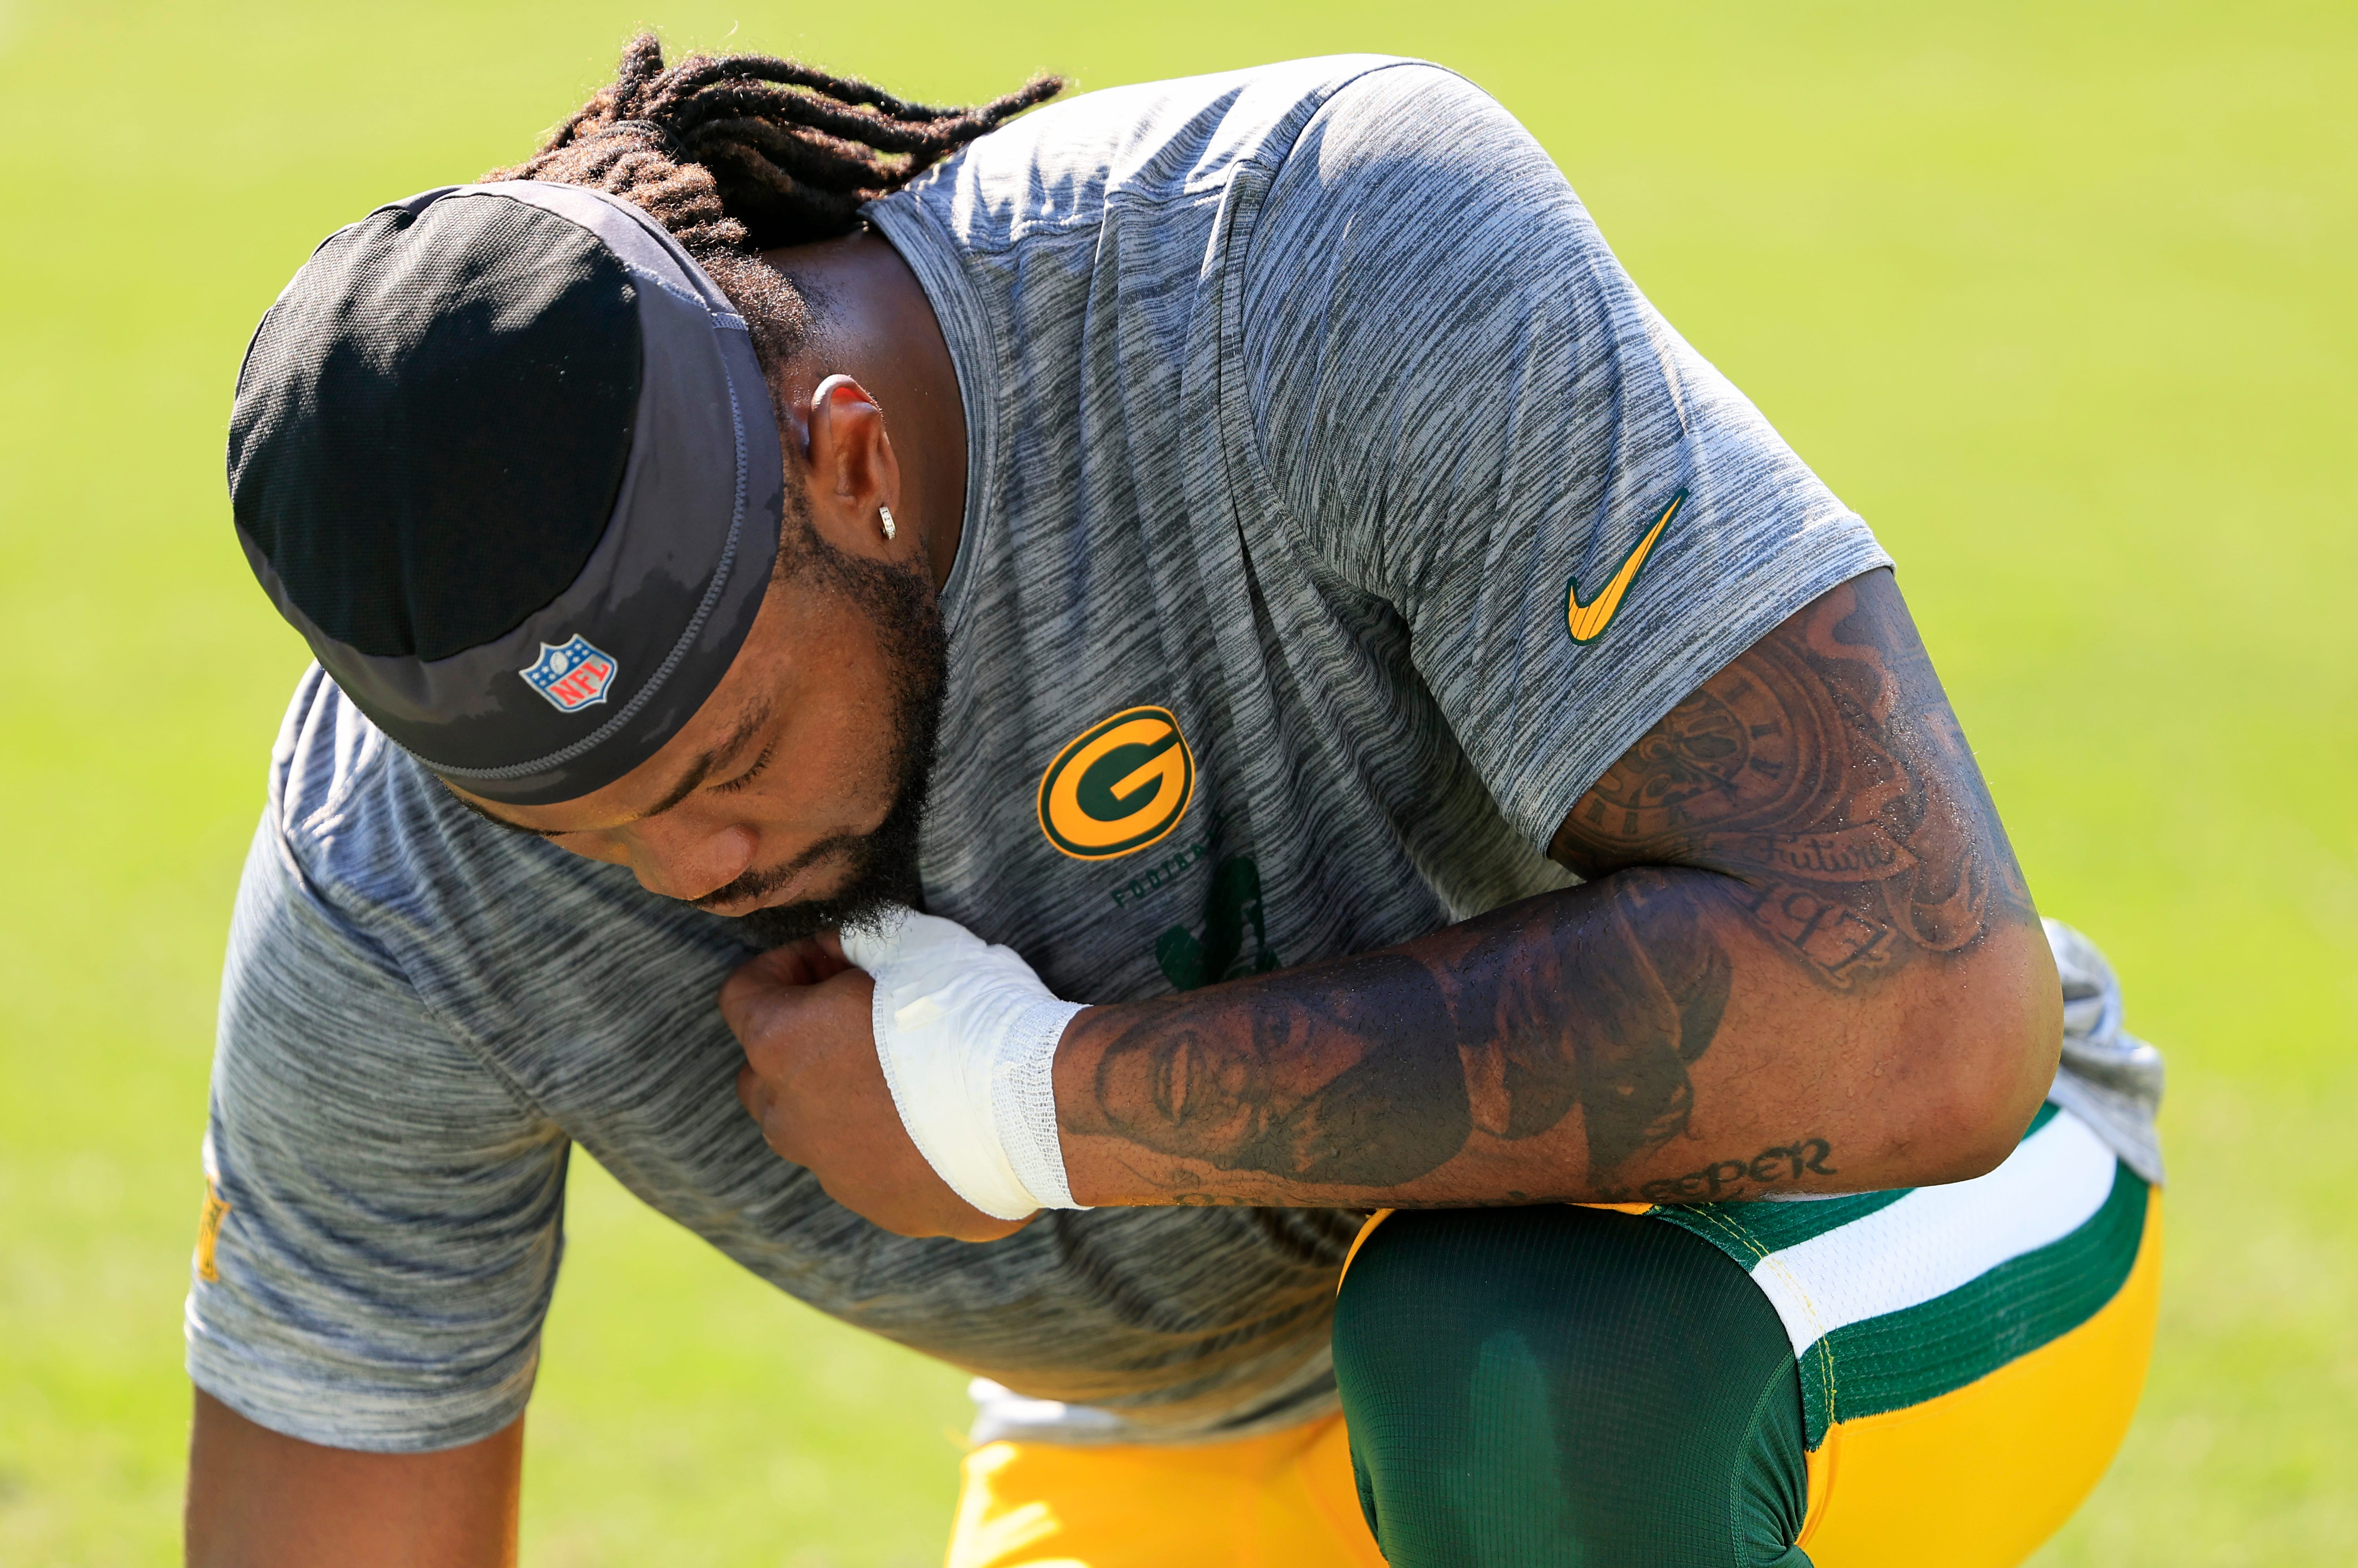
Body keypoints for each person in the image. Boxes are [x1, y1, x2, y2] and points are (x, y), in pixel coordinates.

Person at [187, 35, 2166, 1567]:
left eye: (718, 759)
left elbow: (1920, 1008)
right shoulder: (399, 881)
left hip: (1822, 1245)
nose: (691, 866)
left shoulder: (1306, 257)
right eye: (583, 823)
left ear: (846, 460)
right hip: (1174, 1435)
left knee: (1517, 1366)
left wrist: (1034, 1102)